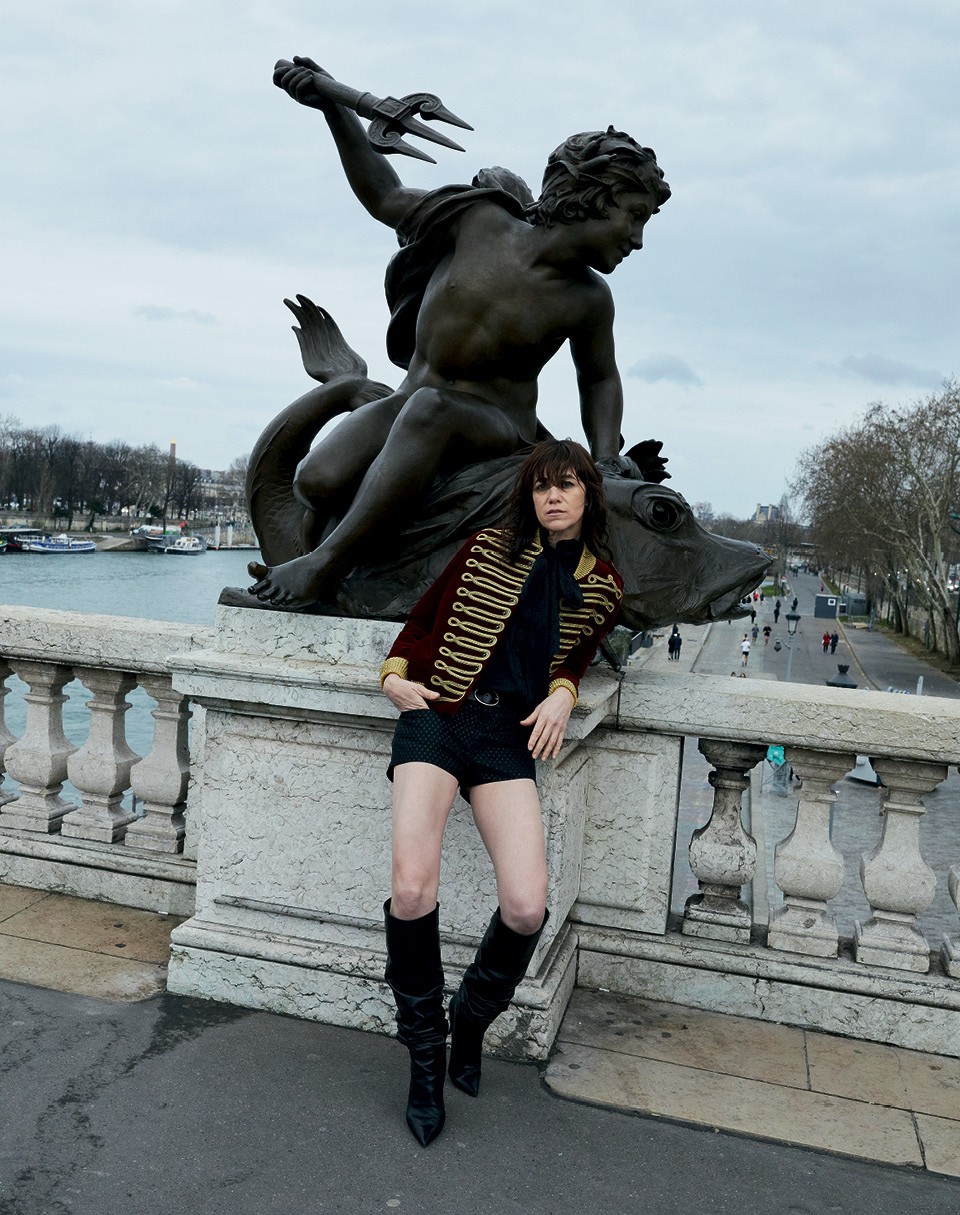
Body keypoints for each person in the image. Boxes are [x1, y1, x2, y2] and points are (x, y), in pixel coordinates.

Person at [249, 57, 670, 609]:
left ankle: (322, 567)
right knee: (318, 481)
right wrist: (334, 110)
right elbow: (385, 197)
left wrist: (606, 456)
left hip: (499, 425)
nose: (637, 239)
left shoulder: (589, 299)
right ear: (590, 197)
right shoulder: (477, 222)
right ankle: (347, 580)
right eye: (634, 215)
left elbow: (599, 379)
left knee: (432, 410)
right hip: (412, 397)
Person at [378, 439, 623, 1146]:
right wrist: (393, 678)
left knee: (525, 905)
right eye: (542, 486)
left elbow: (575, 654)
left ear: (587, 494)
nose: (554, 496)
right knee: (412, 888)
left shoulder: (603, 586)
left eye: (566, 484)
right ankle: (426, 1057)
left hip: (505, 737)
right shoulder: (486, 548)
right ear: (530, 496)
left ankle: (471, 1018)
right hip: (438, 717)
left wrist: (564, 692)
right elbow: (423, 621)